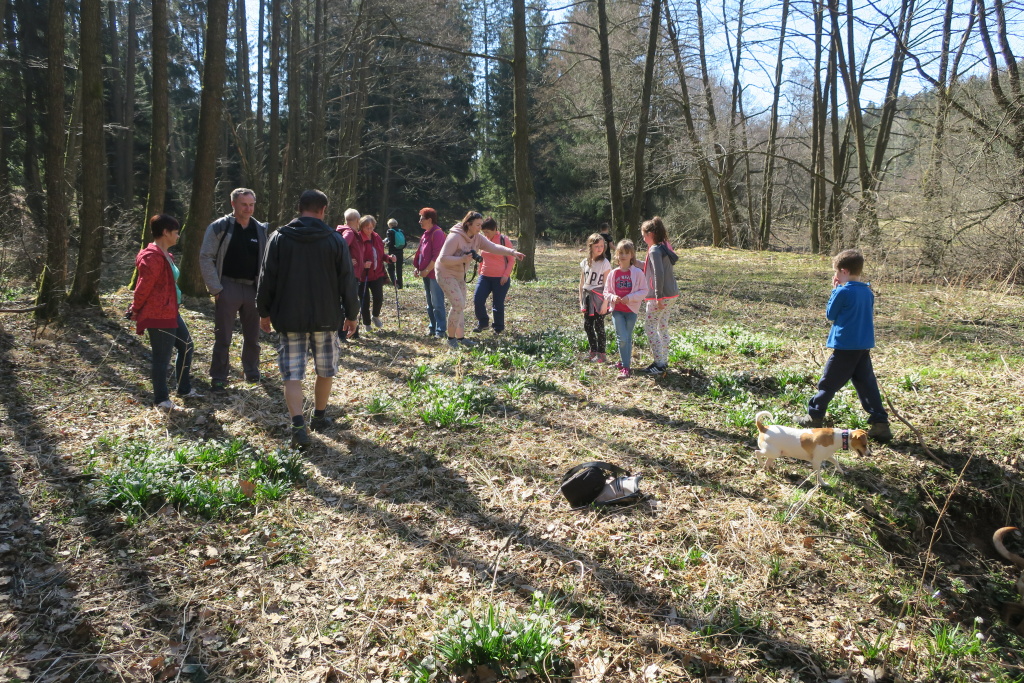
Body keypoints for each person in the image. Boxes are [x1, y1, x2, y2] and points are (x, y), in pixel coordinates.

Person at [257, 190, 359, 449]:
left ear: (299, 207)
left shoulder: (278, 237)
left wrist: (263, 311)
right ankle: (319, 417)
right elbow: (347, 280)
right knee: (325, 370)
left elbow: (266, 277)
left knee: (292, 374)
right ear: (323, 210)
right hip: (326, 317)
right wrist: (352, 314)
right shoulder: (335, 240)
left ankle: (298, 426)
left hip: (289, 317)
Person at [796, 249, 892, 441]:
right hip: (862, 346)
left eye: (837, 272)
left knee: (828, 383)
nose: (836, 276)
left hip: (845, 347)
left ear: (845, 271)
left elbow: (830, 315)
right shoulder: (867, 292)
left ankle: (814, 416)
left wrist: (834, 290)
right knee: (867, 385)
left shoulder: (843, 291)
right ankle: (880, 423)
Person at [199, 188, 268, 390]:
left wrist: (265, 290)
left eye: (251, 205)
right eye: (244, 204)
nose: (248, 209)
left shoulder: (260, 230)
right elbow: (206, 256)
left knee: (253, 337)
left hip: (253, 288)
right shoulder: (219, 227)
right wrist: (216, 288)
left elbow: (266, 261)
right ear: (233, 204)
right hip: (227, 286)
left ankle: (252, 373)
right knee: (223, 337)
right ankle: (219, 377)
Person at [130, 215, 199, 411]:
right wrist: (135, 309)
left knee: (187, 346)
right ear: (165, 232)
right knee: (162, 357)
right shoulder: (151, 258)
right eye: (175, 232)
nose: (178, 236)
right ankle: (161, 399)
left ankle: (184, 389)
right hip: (158, 314)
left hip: (171, 311)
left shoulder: (166, 255)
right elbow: (143, 287)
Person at [436, 211, 525, 349]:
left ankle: (461, 338)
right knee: (458, 304)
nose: (480, 228)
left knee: (460, 306)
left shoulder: (477, 237)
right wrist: (462, 259)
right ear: (468, 224)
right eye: (477, 225)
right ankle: (451, 339)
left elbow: (494, 247)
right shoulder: (455, 237)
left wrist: (512, 252)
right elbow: (443, 258)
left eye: (481, 225)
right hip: (445, 273)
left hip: (459, 274)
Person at [640, 217, 679, 377]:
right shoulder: (664, 246)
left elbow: (658, 273)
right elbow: (652, 267)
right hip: (672, 293)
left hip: (661, 296)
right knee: (662, 326)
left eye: (644, 235)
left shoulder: (654, 250)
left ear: (650, 234)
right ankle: (664, 360)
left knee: (650, 327)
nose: (643, 239)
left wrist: (658, 296)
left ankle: (659, 364)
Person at [603, 240, 647, 379]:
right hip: (617, 310)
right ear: (617, 254)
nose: (623, 256)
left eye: (626, 253)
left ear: (631, 255)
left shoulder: (638, 273)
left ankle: (624, 363)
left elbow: (644, 290)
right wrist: (612, 297)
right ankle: (625, 368)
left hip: (631, 311)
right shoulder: (613, 273)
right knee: (622, 338)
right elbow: (606, 292)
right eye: (621, 253)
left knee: (627, 338)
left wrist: (630, 297)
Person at [352, 214, 396, 331]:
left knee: (378, 298)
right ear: (361, 227)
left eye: (371, 227)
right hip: (362, 275)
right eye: (367, 228)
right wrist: (363, 264)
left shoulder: (376, 237)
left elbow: (381, 255)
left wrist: (389, 258)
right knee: (364, 301)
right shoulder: (358, 239)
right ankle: (367, 323)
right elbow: (354, 257)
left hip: (377, 274)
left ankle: (375, 316)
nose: (370, 230)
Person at [472, 217, 515, 335]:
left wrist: (506, 275)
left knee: (497, 304)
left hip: (500, 278)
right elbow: (482, 257)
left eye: (487, 232)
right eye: (484, 232)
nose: (486, 234)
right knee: (478, 299)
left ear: (494, 229)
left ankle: (498, 328)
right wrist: (480, 270)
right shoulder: (484, 240)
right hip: (485, 276)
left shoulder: (503, 240)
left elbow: (511, 259)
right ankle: (483, 322)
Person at [412, 207, 447, 338]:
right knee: (430, 303)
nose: (419, 221)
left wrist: (426, 270)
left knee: (437, 303)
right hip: (425, 274)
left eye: (422, 219)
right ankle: (433, 327)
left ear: (430, 220)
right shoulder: (426, 234)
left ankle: (440, 330)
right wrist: (418, 268)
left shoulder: (437, 233)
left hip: (435, 274)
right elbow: (421, 253)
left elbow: (437, 256)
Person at [579, 233, 611, 363]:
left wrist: (605, 303)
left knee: (599, 326)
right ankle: (593, 351)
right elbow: (582, 283)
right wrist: (581, 301)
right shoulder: (584, 262)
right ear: (590, 246)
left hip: (599, 298)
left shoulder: (605, 263)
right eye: (597, 246)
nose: (599, 249)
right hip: (588, 297)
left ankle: (601, 354)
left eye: (602, 246)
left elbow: (608, 285)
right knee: (587, 325)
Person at [336, 208, 363, 339]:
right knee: (349, 303)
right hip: (350, 274)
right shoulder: (349, 232)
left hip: (349, 273)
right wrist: (346, 260)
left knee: (349, 303)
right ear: (357, 220)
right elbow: (341, 247)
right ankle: (343, 334)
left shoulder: (343, 232)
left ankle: (352, 333)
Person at [385, 218, 406, 289]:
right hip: (400, 252)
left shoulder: (389, 231)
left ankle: (394, 282)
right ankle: (400, 284)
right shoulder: (401, 231)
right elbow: (405, 243)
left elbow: (390, 242)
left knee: (390, 268)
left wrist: (385, 244)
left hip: (392, 252)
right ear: (396, 224)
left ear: (389, 225)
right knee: (399, 268)